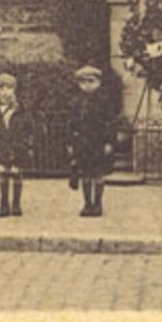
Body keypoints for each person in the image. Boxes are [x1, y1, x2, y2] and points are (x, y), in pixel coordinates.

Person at [69, 65, 118, 218]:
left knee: (98, 174)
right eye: (83, 82)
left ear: (98, 82)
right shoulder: (76, 103)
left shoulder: (104, 102)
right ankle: (87, 203)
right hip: (82, 143)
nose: (87, 85)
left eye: (91, 81)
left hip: (98, 142)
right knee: (85, 174)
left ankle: (98, 203)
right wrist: (70, 144)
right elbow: (71, 125)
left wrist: (109, 142)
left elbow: (111, 123)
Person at [0, 72, 32, 217]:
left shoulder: (21, 109)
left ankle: (16, 204)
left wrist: (28, 143)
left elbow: (30, 127)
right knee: (3, 175)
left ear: (14, 90)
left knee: (17, 174)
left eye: (9, 88)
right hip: (1, 147)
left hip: (18, 147)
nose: (5, 92)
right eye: (1, 89)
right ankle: (4, 204)